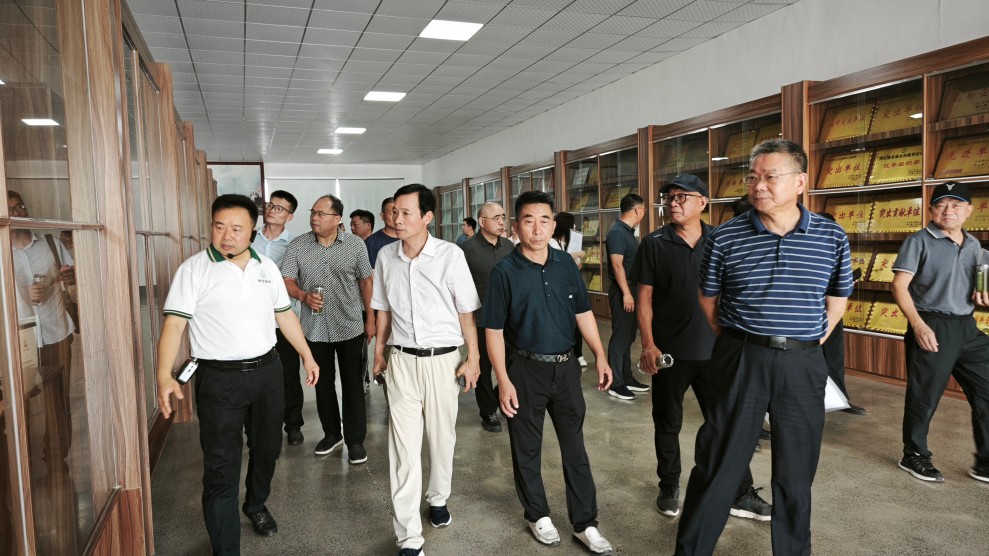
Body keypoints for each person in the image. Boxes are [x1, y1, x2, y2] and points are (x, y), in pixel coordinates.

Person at [675, 139, 853, 556]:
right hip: (741, 358)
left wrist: (809, 340)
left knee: (796, 474)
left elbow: (838, 298)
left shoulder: (830, 235)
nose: (758, 186)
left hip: (803, 363)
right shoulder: (726, 237)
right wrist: (741, 341)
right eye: (753, 177)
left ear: (800, 182)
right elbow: (708, 300)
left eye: (770, 177)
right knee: (718, 464)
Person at [155, 194, 319, 556]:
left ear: (252, 231)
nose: (226, 235)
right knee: (220, 465)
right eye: (219, 227)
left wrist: (307, 355)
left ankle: (256, 504)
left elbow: (284, 315)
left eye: (236, 228)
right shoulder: (194, 270)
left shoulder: (266, 267)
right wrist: (164, 375)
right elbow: (174, 325)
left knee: (267, 450)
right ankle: (226, 549)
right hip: (218, 379)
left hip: (267, 372)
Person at [630, 174, 771, 521]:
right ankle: (668, 485)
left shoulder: (721, 240)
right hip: (669, 353)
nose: (673, 203)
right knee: (668, 423)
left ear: (703, 202)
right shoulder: (654, 243)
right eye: (669, 197)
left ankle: (740, 492)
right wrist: (648, 344)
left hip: (717, 352)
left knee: (727, 423)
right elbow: (644, 299)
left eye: (682, 197)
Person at [483, 190, 615, 555]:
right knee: (527, 448)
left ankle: (585, 523)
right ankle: (537, 514)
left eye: (544, 221)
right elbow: (493, 331)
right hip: (524, 370)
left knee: (576, 449)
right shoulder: (504, 273)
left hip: (566, 368)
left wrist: (600, 355)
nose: (537, 229)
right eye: (529, 221)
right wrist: (503, 380)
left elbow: (583, 313)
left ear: (553, 225)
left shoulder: (565, 264)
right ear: (516, 226)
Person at [371, 184, 481, 556]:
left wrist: (473, 358)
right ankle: (408, 536)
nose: (397, 219)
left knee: (441, 437)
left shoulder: (450, 255)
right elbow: (383, 309)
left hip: (443, 361)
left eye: (406, 212)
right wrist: (379, 353)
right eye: (394, 212)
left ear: (427, 217)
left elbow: (466, 312)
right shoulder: (385, 256)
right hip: (401, 360)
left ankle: (437, 497)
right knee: (402, 447)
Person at [891, 181, 989, 484]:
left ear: (969, 210)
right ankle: (913, 454)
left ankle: (985, 461)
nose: (949, 211)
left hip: (967, 327)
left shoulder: (974, 245)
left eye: (956, 205)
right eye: (941, 205)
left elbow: (980, 280)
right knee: (925, 396)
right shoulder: (918, 241)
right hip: (932, 323)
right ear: (931, 210)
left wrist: (982, 290)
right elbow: (899, 285)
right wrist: (918, 324)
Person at [281, 195, 374, 463]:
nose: (314, 218)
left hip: (350, 324)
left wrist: (370, 319)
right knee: (322, 384)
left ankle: (355, 440)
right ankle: (332, 434)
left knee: (353, 383)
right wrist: (302, 295)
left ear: (337, 219)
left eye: (321, 214)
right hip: (315, 327)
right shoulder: (299, 245)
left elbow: (366, 281)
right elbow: (286, 279)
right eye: (313, 212)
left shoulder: (355, 245)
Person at [8, 191, 76, 419]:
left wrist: (70, 277)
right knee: (20, 404)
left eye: (20, 207)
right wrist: (21, 294)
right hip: (20, 340)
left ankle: (58, 444)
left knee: (58, 401)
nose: (18, 213)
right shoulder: (2, 253)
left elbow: (73, 276)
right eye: (10, 210)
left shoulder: (51, 243)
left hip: (57, 332)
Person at [251, 190, 306, 446]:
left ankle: (293, 424)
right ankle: (259, 425)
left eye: (280, 208)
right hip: (253, 320)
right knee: (255, 374)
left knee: (289, 373)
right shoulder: (249, 239)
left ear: (290, 216)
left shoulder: (296, 244)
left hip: (284, 320)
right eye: (271, 205)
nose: (273, 210)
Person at [460, 202, 515, 432]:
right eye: (496, 218)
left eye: (503, 217)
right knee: (483, 366)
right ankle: (488, 410)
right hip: (480, 318)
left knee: (513, 363)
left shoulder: (509, 246)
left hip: (508, 318)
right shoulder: (466, 249)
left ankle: (499, 397)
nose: (502, 222)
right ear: (482, 222)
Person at [817, 212, 867, 416]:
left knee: (834, 358)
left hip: (833, 313)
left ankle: (839, 400)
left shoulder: (836, 251)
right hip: (810, 314)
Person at [604, 193, 648, 400]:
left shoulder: (629, 232)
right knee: (620, 337)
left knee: (629, 336)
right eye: (644, 210)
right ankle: (615, 382)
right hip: (624, 291)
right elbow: (617, 265)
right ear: (637, 210)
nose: (644, 213)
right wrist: (627, 294)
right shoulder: (617, 232)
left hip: (632, 290)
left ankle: (626, 377)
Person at [549, 212, 587, 367]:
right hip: (558, 292)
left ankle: (578, 353)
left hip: (569, 290)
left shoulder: (564, 243)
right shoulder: (552, 242)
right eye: (573, 225)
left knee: (577, 323)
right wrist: (576, 255)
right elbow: (559, 260)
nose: (575, 228)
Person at [365, 197, 400, 268]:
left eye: (398, 213)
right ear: (382, 216)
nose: (397, 217)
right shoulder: (371, 242)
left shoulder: (410, 239)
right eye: (393, 213)